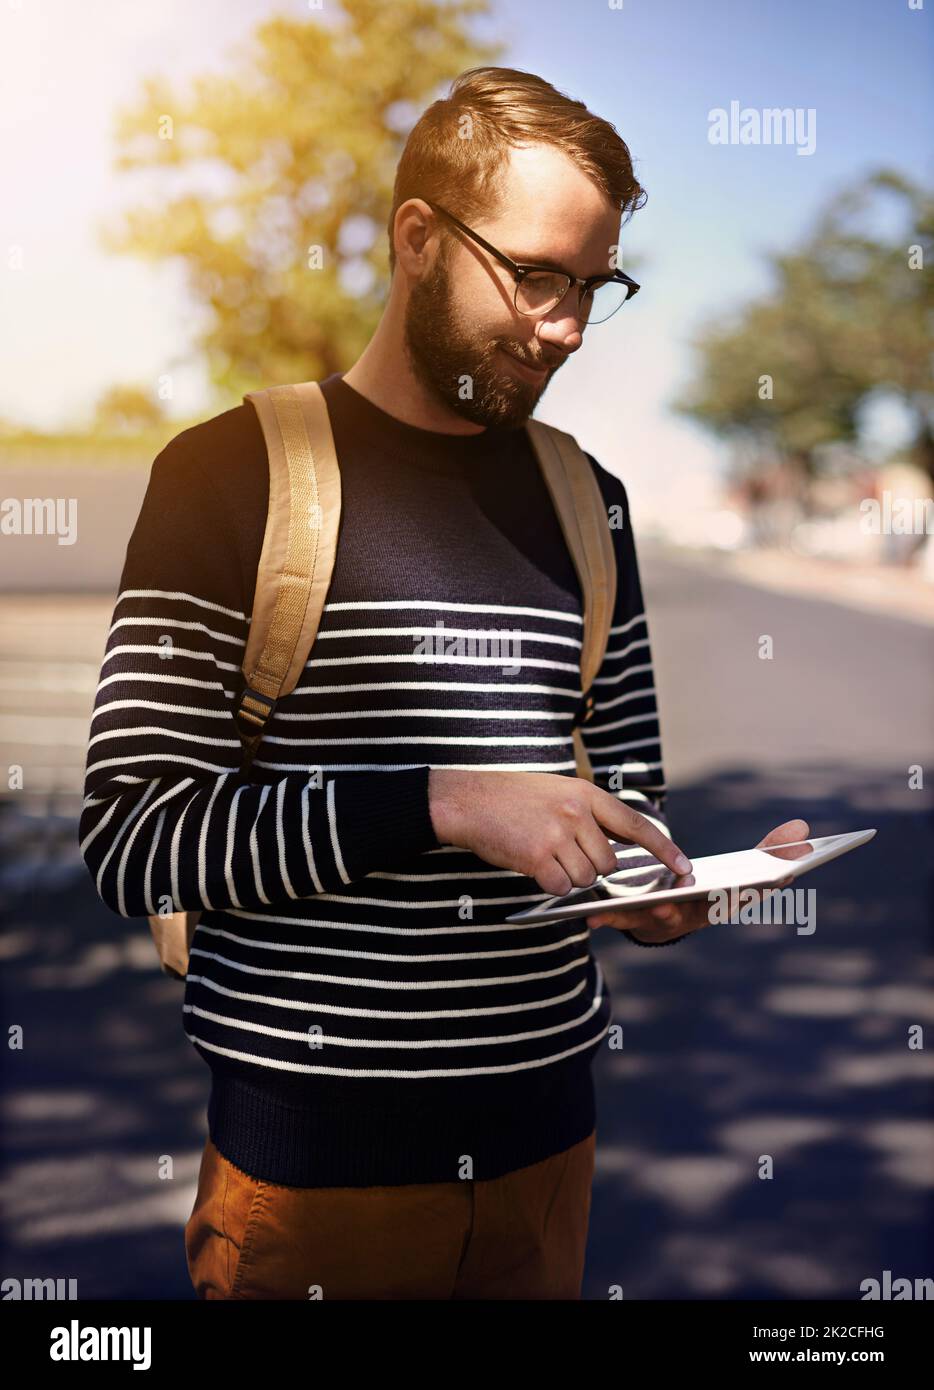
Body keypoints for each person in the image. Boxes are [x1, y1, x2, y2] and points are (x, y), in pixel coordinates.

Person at [79, 65, 807, 1300]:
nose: (568, 326)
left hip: (548, 1158)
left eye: (594, 286)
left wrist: (659, 884)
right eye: (535, 277)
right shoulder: (229, 475)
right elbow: (135, 839)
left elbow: (623, 797)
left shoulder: (595, 505)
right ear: (418, 239)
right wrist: (442, 799)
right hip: (312, 1185)